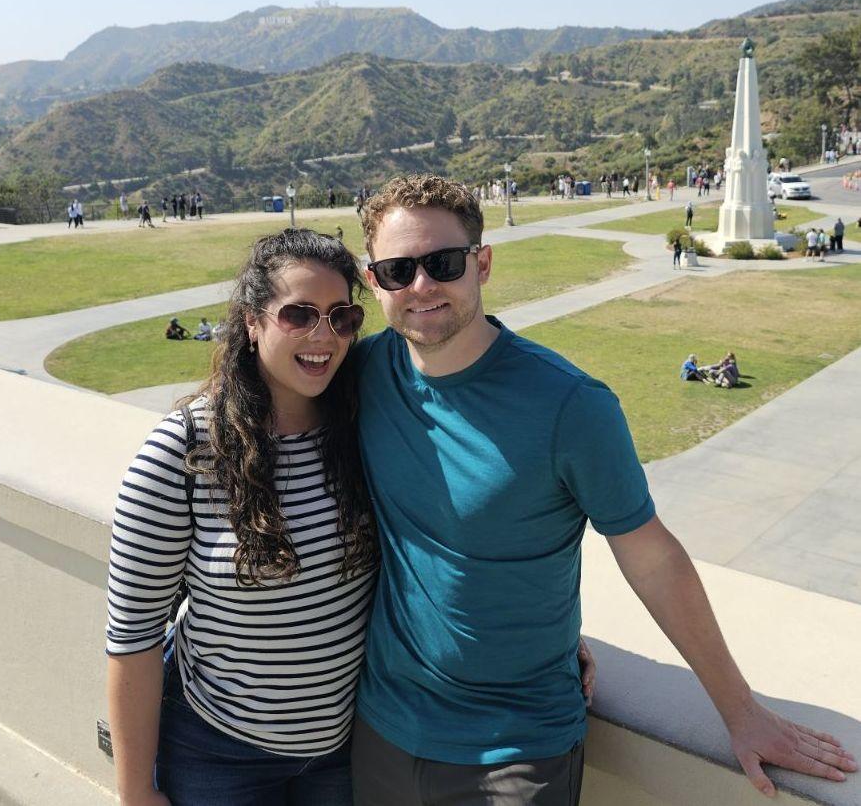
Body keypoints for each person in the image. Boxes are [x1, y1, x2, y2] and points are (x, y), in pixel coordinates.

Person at [350, 175, 855, 805]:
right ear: (375, 283)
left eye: (443, 263)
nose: (421, 286)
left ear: (482, 264)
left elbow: (652, 558)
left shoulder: (570, 405)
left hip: (515, 750)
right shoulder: (365, 372)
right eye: (398, 270)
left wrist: (740, 709)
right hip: (381, 730)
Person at [106, 229, 377, 806]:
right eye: (298, 314)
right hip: (218, 754)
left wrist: (545, 638)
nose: (322, 335)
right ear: (251, 322)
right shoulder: (184, 451)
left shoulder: (364, 428)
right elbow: (133, 635)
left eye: (341, 316)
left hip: (343, 751)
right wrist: (134, 790)